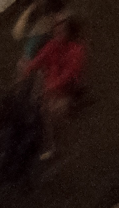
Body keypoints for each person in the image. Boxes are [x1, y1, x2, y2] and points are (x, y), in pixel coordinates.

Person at [25, 15, 87, 159]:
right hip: (50, 87)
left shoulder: (76, 50)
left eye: (62, 31)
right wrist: (28, 68)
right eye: (57, 30)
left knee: (53, 112)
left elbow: (70, 74)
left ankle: (57, 146)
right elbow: (40, 58)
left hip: (66, 90)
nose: (58, 33)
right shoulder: (52, 45)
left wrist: (54, 85)